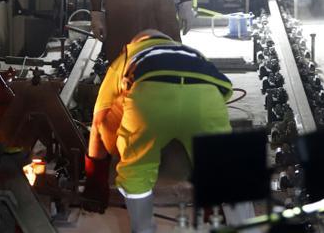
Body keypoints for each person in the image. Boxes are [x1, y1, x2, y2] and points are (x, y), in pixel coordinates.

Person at [82, 30, 234, 231]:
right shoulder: (192, 52)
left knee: (136, 170)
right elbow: (222, 91)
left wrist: (95, 176)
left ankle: (143, 227)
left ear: (133, 43)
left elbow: (99, 119)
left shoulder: (127, 56)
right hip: (205, 100)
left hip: (150, 101)